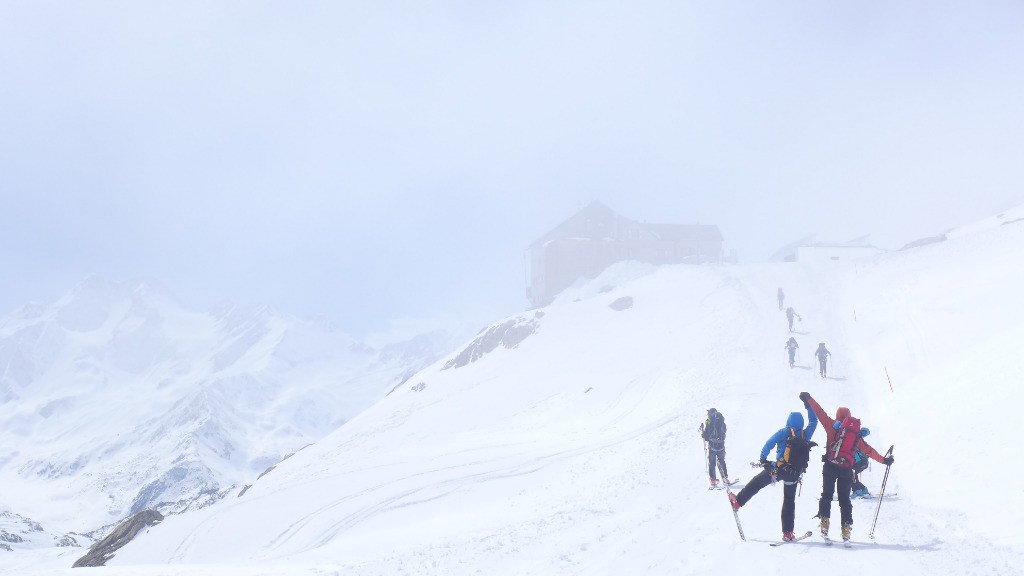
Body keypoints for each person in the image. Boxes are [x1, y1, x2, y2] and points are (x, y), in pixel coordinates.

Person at [800, 392, 893, 543]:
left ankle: (824, 523)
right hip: (846, 470)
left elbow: (819, 411)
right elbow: (868, 450)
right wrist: (884, 461)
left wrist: (808, 398)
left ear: (837, 416)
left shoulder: (831, 425)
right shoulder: (855, 433)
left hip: (830, 467)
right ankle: (846, 529)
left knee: (827, 496)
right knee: (844, 500)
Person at [728, 402, 818, 541]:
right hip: (794, 474)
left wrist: (763, 459)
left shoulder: (784, 432)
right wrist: (808, 404)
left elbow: (769, 444)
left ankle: (738, 502)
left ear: (788, 421)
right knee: (789, 501)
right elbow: (814, 420)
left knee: (756, 483)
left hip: (778, 470)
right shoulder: (806, 433)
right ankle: (787, 533)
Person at [700, 408, 730, 487]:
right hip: (721, 445)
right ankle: (725, 478)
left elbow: (707, 436)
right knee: (722, 461)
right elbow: (725, 430)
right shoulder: (721, 420)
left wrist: (703, 435)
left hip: (712, 445)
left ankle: (713, 479)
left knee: (712, 463)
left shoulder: (709, 422)